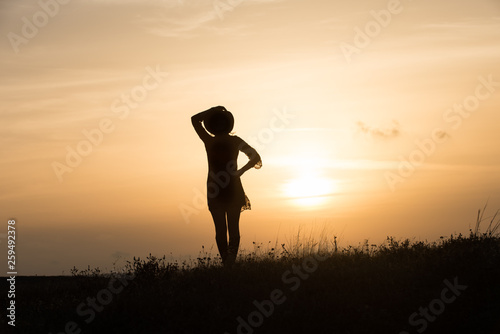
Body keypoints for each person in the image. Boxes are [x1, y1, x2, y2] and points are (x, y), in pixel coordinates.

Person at [191, 106, 262, 267]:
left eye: (221, 121)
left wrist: (241, 171)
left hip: (228, 188)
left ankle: (229, 263)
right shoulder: (211, 140)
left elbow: (255, 157)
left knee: (231, 229)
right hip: (217, 189)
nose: (219, 125)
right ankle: (227, 264)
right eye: (216, 121)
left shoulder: (216, 141)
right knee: (222, 230)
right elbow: (194, 120)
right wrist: (215, 109)